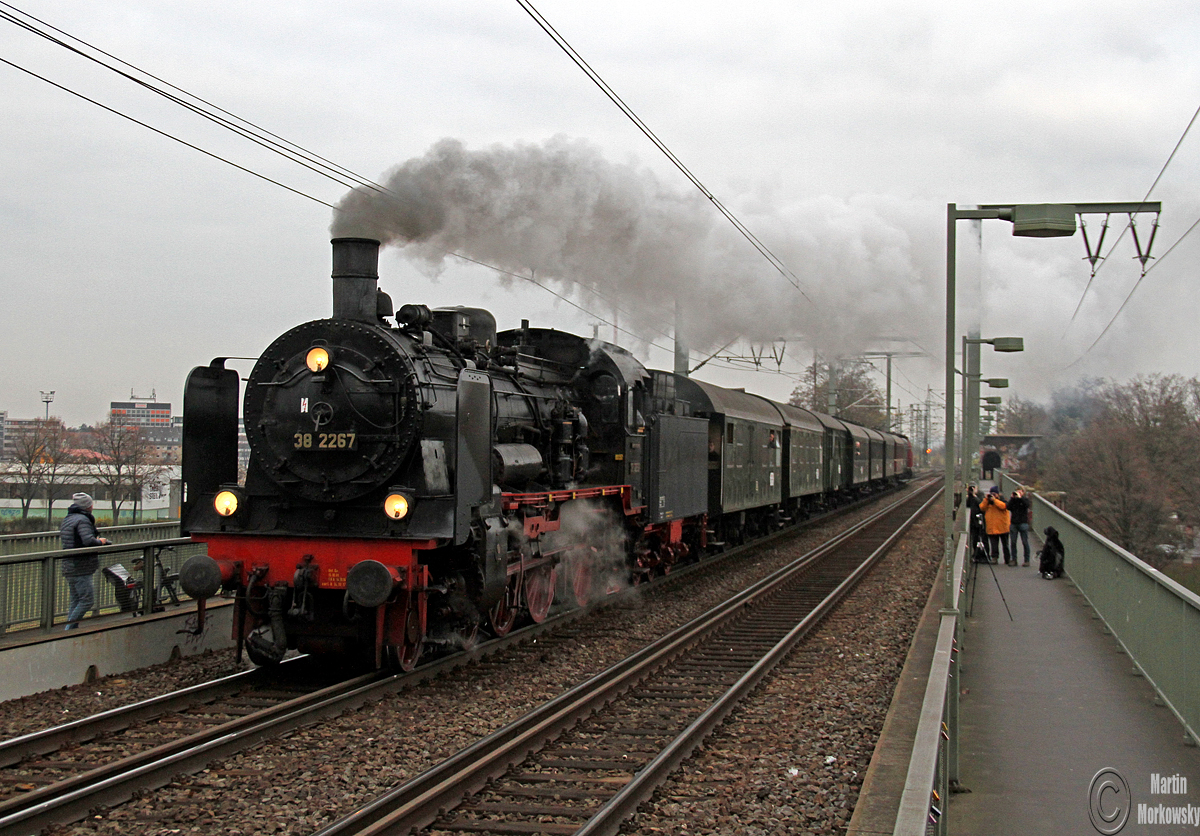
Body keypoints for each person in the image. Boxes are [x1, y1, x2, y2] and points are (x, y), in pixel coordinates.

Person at [59, 492, 110, 630]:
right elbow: (88, 541)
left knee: (76, 599)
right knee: (87, 600)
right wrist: (100, 541)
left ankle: (70, 630)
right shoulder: (83, 520)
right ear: (87, 506)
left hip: (69, 564)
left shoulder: (68, 518)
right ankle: (68, 630)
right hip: (80, 565)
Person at [978, 486, 1012, 565]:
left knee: (1005, 545)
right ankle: (994, 557)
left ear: (998, 494)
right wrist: (986, 499)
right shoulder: (988, 502)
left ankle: (1007, 559)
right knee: (994, 545)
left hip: (1002, 527)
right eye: (991, 494)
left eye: (994, 494)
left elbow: (1003, 506)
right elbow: (982, 507)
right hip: (992, 527)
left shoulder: (1002, 500)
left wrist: (995, 500)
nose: (993, 495)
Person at [1008, 488, 1033, 566]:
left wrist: (1020, 498)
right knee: (1013, 542)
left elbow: (1027, 505)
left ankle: (1027, 560)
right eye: (1017, 491)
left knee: (1025, 542)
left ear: (1023, 493)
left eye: (1020, 491)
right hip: (1014, 523)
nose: (1018, 493)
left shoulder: (1025, 499)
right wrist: (1012, 498)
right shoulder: (1013, 500)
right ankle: (1014, 559)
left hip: (1023, 523)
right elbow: (1008, 507)